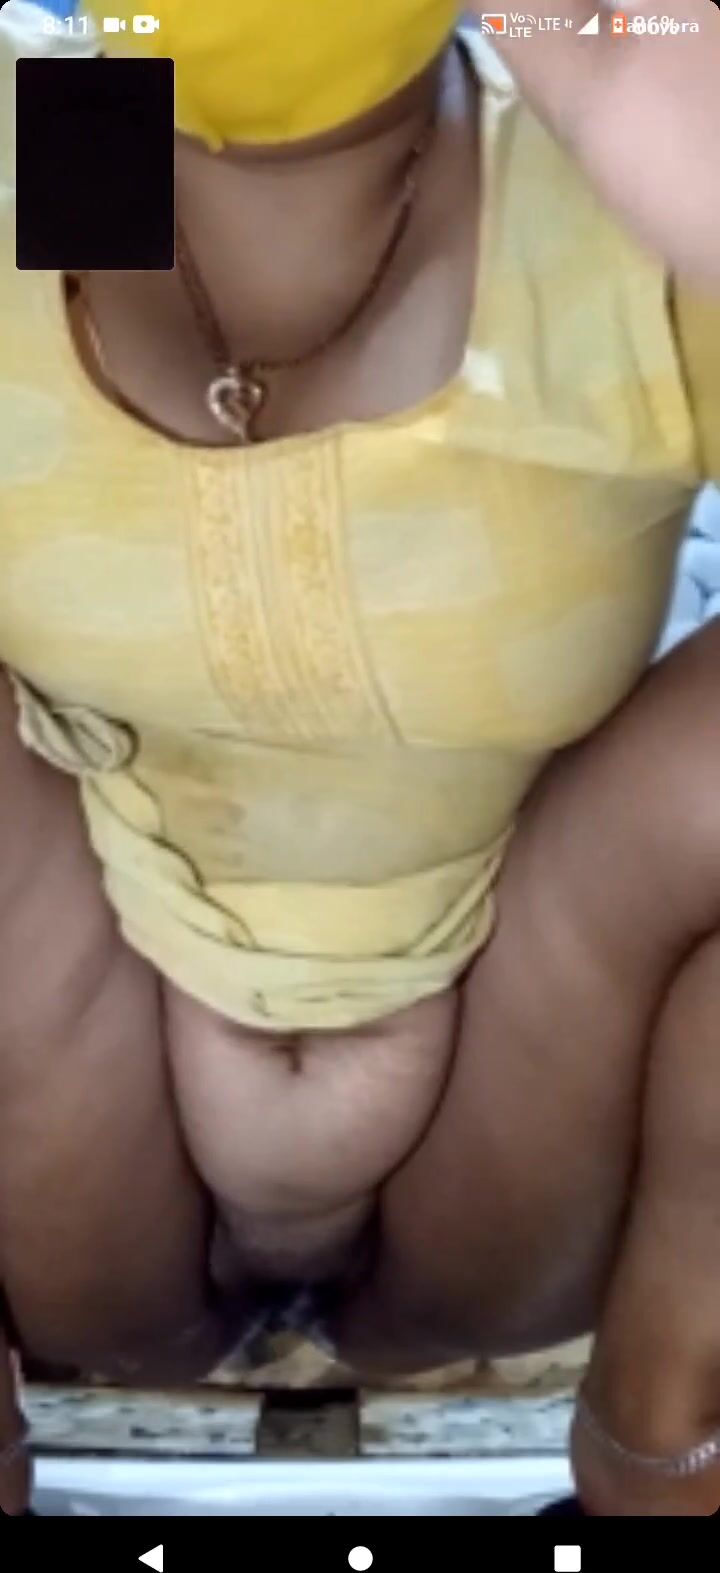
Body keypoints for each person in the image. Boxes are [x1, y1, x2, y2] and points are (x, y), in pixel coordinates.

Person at [2, 0, 720, 1517]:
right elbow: (140, 110)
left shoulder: (613, 180)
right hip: (90, 1099)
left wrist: (683, 157)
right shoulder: (70, 138)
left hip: (525, 1109)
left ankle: (663, 1436)